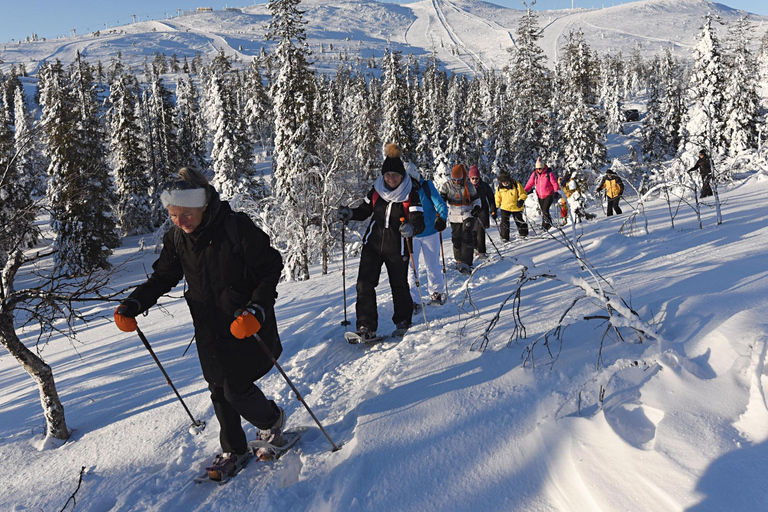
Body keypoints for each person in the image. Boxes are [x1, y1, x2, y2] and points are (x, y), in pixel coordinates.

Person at [113, 167, 285, 480]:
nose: (180, 221)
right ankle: (234, 449)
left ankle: (272, 421)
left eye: (186, 213)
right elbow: (164, 275)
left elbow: (270, 266)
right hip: (208, 325)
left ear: (203, 205)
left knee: (236, 387)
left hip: (244, 322)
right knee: (218, 387)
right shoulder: (178, 238)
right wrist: (134, 304)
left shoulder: (236, 227)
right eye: (173, 214)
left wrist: (257, 309)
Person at [337, 143, 425, 340]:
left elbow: (419, 222)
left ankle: (403, 321)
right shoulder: (376, 191)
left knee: (399, 285)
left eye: (394, 175)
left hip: (398, 247)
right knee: (364, 284)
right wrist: (349, 213)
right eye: (387, 175)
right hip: (373, 245)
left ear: (402, 176)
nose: (390, 178)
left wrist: (412, 228)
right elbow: (364, 211)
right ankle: (366, 327)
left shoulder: (410, 194)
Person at [405, 163, 449, 309]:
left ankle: (437, 292)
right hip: (411, 235)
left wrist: (442, 218)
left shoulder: (427, 186)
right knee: (411, 268)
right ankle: (413, 300)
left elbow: (441, 204)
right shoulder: (402, 190)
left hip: (430, 231)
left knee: (432, 265)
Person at [439, 163, 481, 275]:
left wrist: (477, 207)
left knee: (467, 235)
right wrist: (440, 205)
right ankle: (458, 260)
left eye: (459, 179)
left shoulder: (469, 186)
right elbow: (440, 200)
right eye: (454, 179)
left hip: (468, 213)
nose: (457, 182)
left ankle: (467, 263)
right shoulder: (447, 186)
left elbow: (477, 199)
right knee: (456, 238)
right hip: (454, 215)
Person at [524, 157, 560, 230]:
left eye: (540, 168)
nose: (538, 170)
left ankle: (545, 226)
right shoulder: (535, 174)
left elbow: (555, 183)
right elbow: (530, 183)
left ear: (543, 167)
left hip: (549, 195)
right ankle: (548, 224)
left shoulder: (549, 174)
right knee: (544, 211)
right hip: (540, 195)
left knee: (545, 210)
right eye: (537, 168)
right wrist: (524, 191)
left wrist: (556, 191)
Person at [468, 165, 496, 259]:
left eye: (477, 178)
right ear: (470, 178)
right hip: (471, 211)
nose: (475, 180)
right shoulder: (467, 187)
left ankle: (482, 252)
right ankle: (475, 248)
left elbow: (491, 198)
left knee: (481, 231)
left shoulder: (484, 186)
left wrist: (493, 210)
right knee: (473, 231)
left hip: (483, 210)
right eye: (473, 178)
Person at [494, 172, 528, 241]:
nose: (504, 183)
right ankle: (504, 237)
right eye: (502, 182)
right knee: (504, 223)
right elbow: (497, 198)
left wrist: (521, 200)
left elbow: (523, 194)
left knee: (519, 221)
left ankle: (524, 233)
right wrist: (495, 207)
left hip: (516, 207)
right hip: (505, 207)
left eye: (506, 181)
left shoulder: (516, 184)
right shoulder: (499, 188)